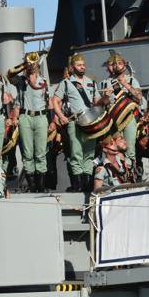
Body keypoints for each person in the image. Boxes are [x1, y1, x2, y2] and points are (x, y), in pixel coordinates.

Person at [52, 52, 98, 193]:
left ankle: (87, 184)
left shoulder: (91, 82)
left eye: (83, 65)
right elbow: (55, 101)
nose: (82, 67)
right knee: (76, 152)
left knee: (89, 153)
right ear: (72, 67)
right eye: (79, 65)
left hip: (90, 121)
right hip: (75, 121)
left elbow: (97, 102)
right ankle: (78, 184)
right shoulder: (66, 83)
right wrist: (61, 116)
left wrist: (106, 98)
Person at [9, 54, 50, 192]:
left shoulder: (43, 81)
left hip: (40, 116)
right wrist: (23, 66)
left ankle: (41, 185)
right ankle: (32, 186)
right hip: (26, 117)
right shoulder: (21, 80)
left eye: (33, 62)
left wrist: (50, 121)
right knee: (27, 153)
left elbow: (48, 101)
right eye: (29, 62)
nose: (32, 65)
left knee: (41, 152)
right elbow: (9, 75)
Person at [97, 52, 143, 162]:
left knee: (129, 149)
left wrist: (126, 84)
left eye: (119, 63)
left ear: (124, 65)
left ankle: (131, 175)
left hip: (128, 119)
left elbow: (139, 98)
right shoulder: (104, 83)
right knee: (112, 150)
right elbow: (98, 105)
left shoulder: (131, 80)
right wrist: (105, 98)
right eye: (114, 63)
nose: (117, 66)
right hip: (112, 121)